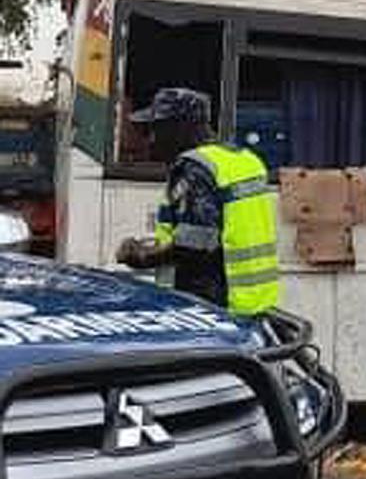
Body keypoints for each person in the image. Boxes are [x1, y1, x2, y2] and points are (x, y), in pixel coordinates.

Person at [114, 88, 283, 318]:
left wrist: (142, 256)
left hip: (212, 306)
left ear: (182, 127)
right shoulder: (245, 160)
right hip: (253, 301)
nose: (152, 139)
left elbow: (194, 246)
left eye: (158, 129)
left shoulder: (195, 168)